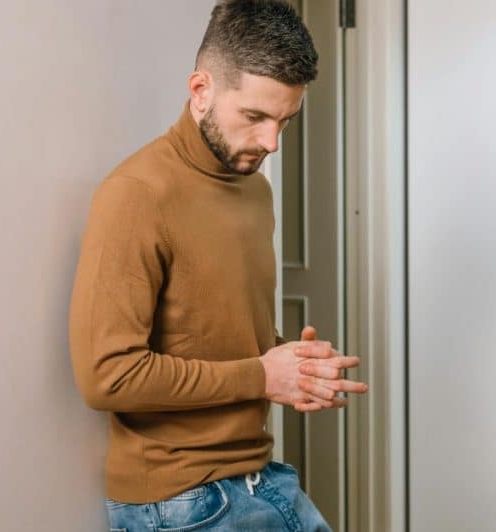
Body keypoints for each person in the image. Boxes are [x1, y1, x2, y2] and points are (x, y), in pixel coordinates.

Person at [68, 1, 367, 530]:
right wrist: (260, 376)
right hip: (180, 502)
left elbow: (215, 331)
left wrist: (289, 363)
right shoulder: (136, 195)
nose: (271, 143)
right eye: (254, 117)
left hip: (259, 478)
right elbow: (106, 378)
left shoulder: (254, 190)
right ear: (201, 90)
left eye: (285, 120)